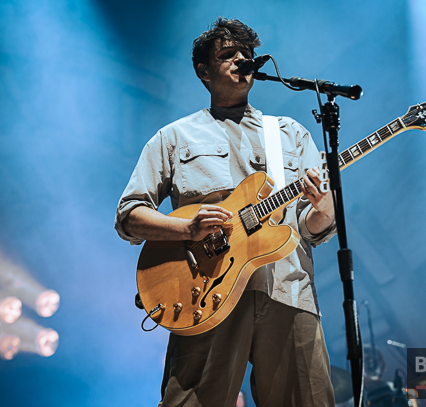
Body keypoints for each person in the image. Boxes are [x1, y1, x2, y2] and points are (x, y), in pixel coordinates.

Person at [115, 17, 337, 407]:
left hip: (288, 289)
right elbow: (129, 215)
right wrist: (188, 228)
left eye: (247, 54)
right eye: (228, 54)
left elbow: (310, 228)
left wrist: (323, 208)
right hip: (206, 291)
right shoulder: (175, 136)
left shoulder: (288, 133)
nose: (241, 60)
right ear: (203, 70)